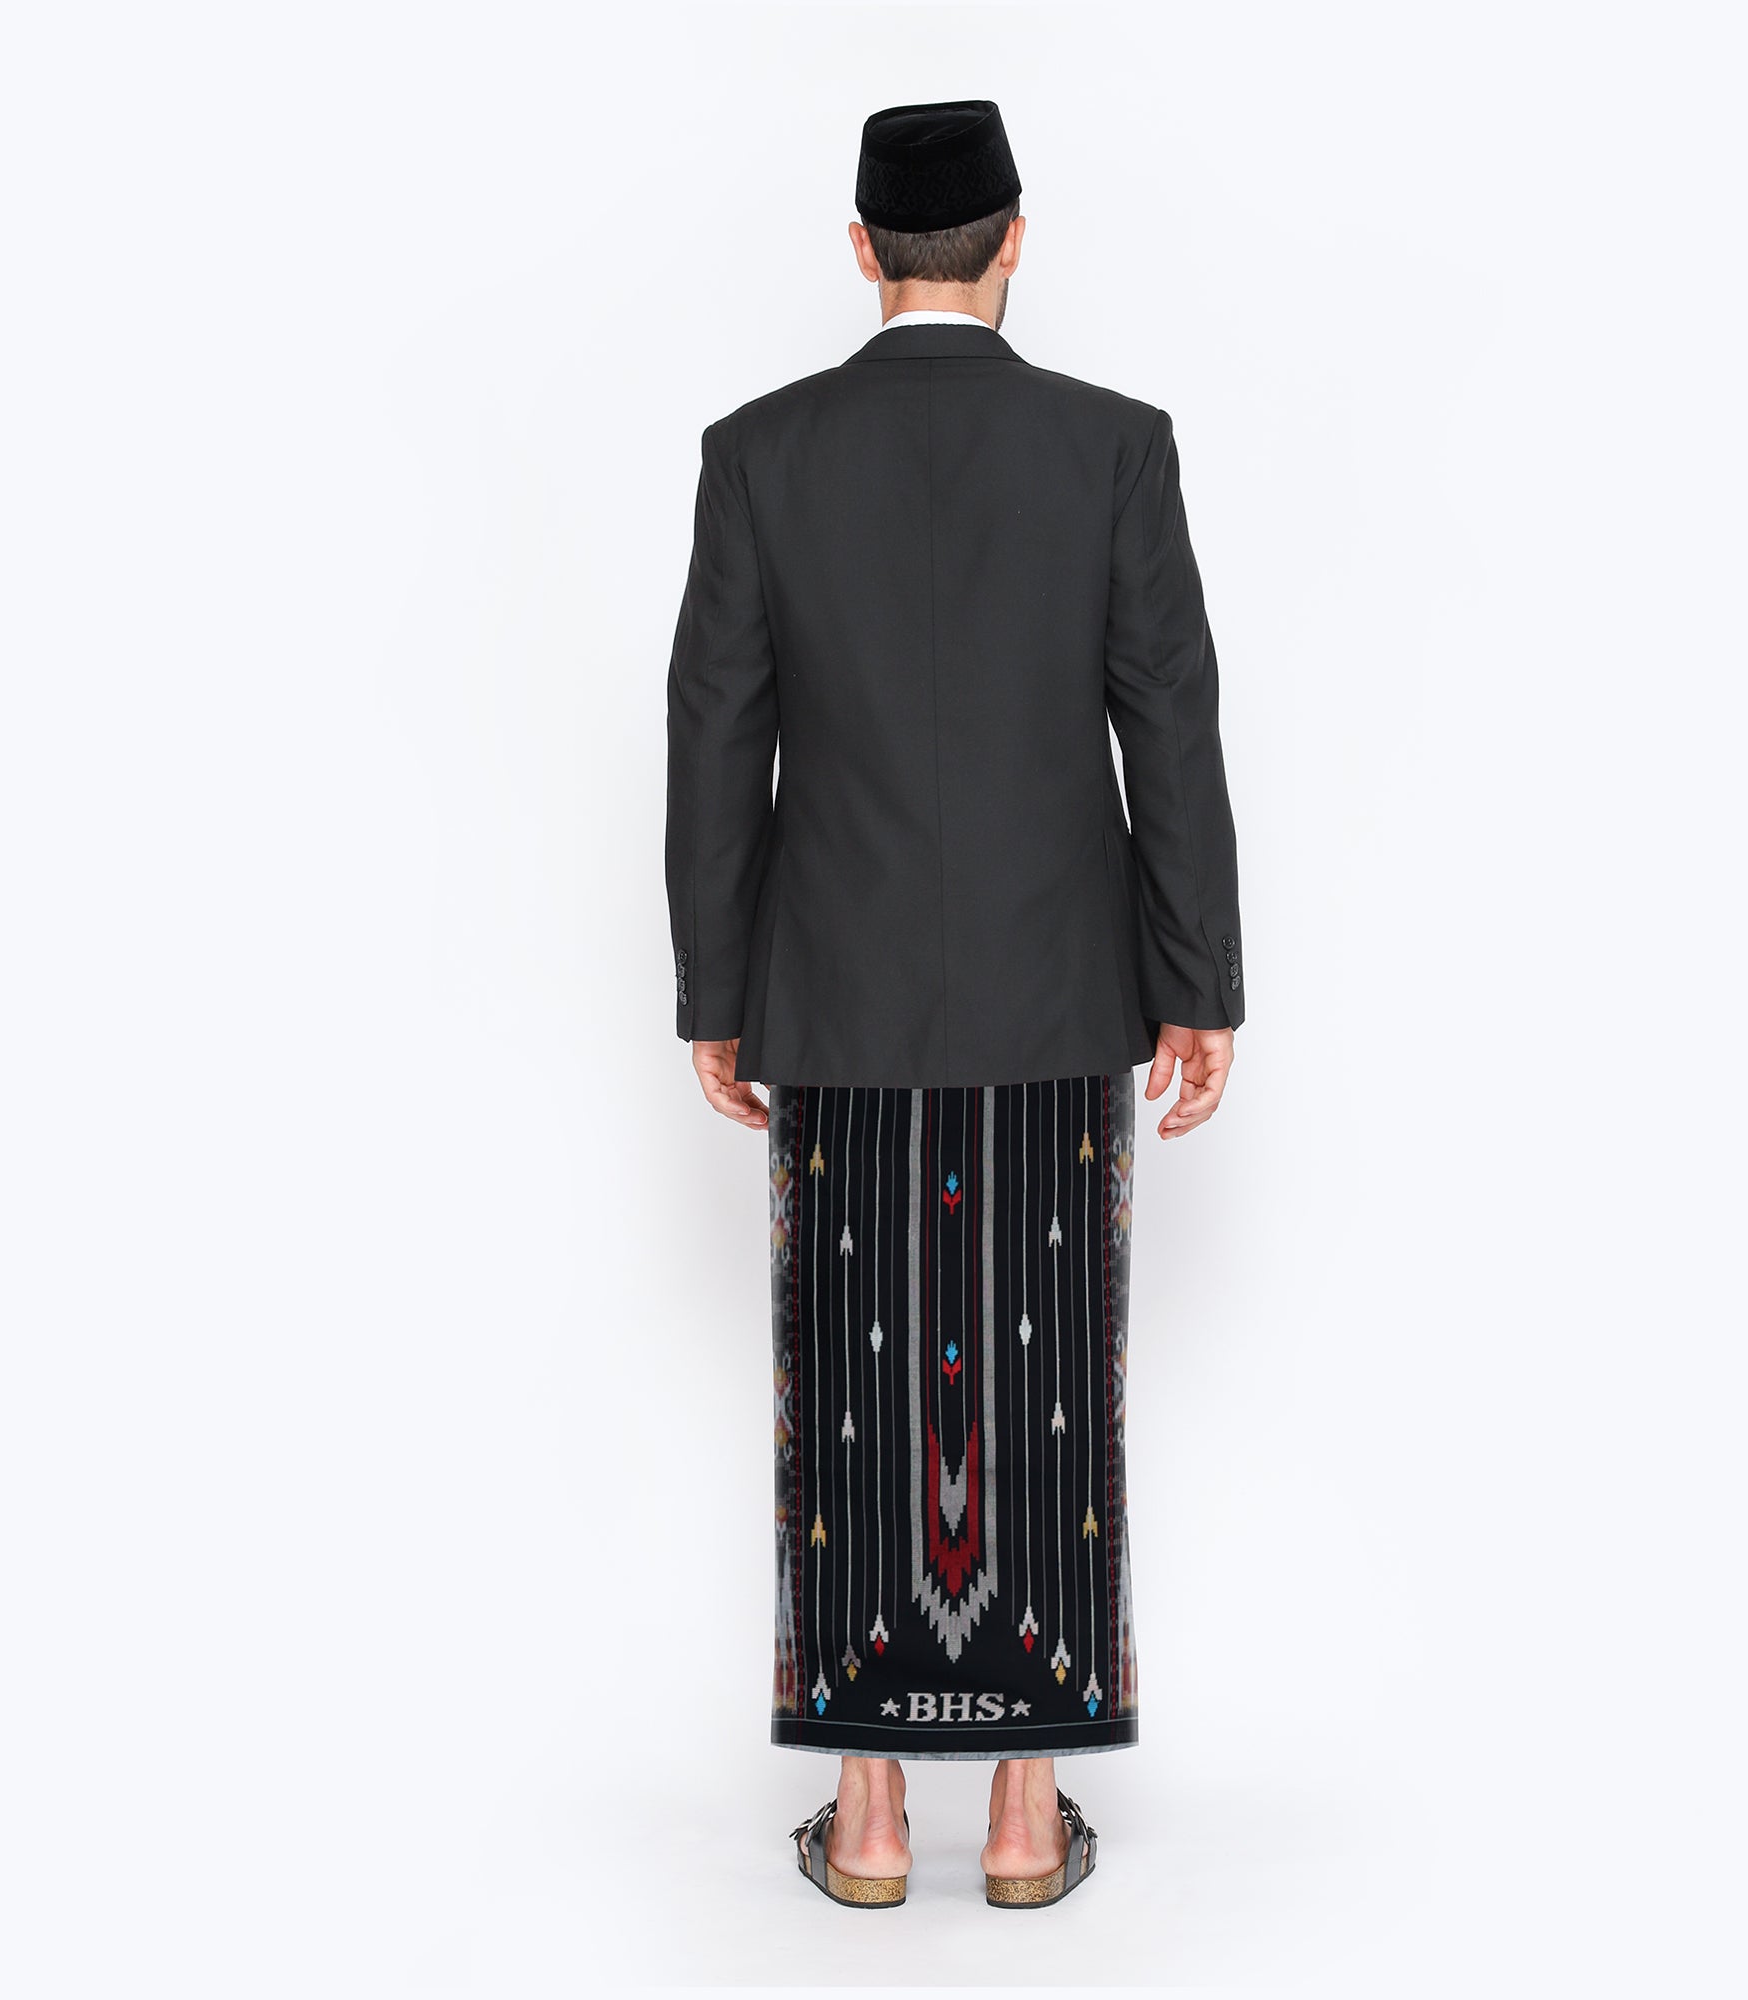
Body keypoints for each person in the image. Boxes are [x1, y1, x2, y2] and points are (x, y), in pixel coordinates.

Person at [663, 98, 1244, 1909]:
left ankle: (862, 1819)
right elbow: (1169, 725)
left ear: (861, 249)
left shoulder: (760, 454)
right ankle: (1020, 1816)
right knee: (1049, 1375)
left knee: (845, 1377)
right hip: (1061, 997)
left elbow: (715, 737)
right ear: (1015, 239)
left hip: (831, 1003)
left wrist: (715, 991)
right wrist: (1199, 981)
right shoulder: (1113, 449)